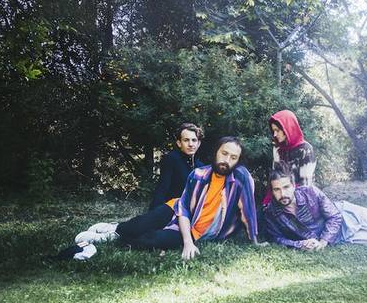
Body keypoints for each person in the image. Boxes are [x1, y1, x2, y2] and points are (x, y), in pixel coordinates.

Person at [76, 136, 262, 260]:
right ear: (216, 152)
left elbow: (248, 210)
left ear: (238, 161)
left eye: (233, 157)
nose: (227, 161)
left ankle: (116, 239)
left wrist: (254, 240)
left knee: (152, 240)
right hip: (177, 210)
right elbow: (183, 209)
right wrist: (187, 243)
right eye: (224, 153)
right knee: (141, 224)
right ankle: (115, 230)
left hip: (194, 230)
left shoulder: (240, 179)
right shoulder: (198, 174)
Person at [74, 123, 203, 250]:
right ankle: (113, 231)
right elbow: (162, 188)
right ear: (179, 143)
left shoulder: (201, 168)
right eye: (186, 140)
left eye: (194, 140)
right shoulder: (172, 159)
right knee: (143, 227)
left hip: (183, 216)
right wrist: (154, 214)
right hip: (167, 209)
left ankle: (120, 235)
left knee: (153, 238)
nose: (191, 144)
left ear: (199, 143)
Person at [262, 110, 316, 207]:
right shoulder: (278, 148)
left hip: (300, 200)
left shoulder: (305, 149)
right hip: (279, 196)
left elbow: (306, 185)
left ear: (288, 128)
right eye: (273, 131)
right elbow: (275, 177)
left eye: (277, 130)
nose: (275, 134)